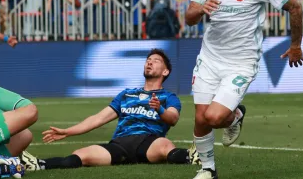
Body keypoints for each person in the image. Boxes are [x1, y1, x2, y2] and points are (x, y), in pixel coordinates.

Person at [185, 0, 303, 179]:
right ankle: (208, 169)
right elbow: (189, 18)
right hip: (209, 58)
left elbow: (295, 7)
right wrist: (201, 7)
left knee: (215, 117)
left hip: (241, 61)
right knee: (200, 119)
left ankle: (235, 115)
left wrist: (295, 45)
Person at [21, 49, 199, 171]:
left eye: (155, 61)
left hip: (149, 141)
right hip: (119, 144)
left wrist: (160, 109)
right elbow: (98, 119)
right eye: (148, 60)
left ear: (165, 71)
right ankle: (38, 164)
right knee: (79, 156)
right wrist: (68, 131)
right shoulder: (126, 94)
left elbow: (173, 118)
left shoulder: (168, 97)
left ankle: (193, 156)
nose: (149, 63)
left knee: (165, 147)